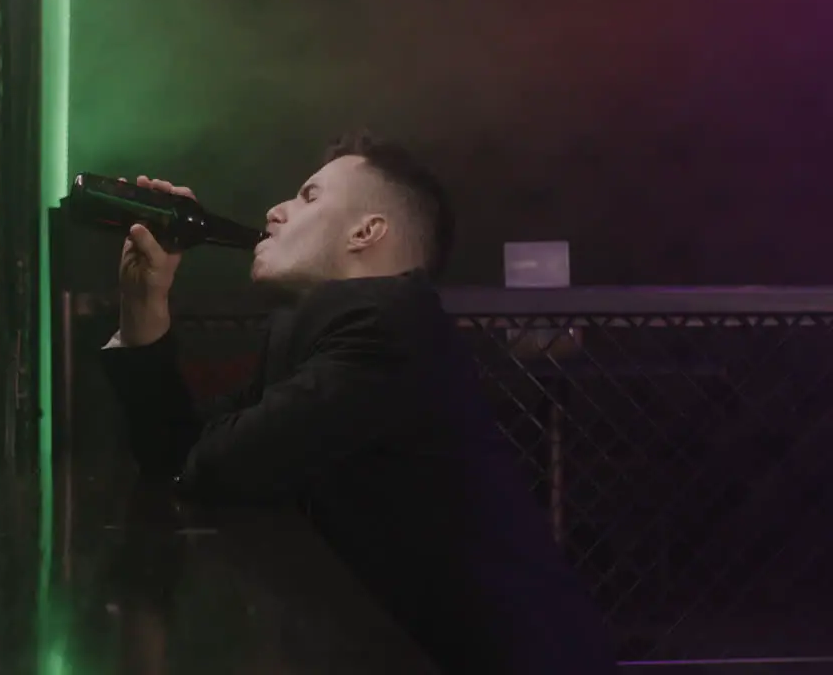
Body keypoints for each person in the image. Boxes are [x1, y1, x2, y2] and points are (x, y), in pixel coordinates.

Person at [99, 131, 617, 674]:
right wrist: (144, 302)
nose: (276, 212)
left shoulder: (389, 329)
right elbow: (175, 457)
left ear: (366, 232)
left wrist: (204, 452)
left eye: (309, 196)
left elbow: (218, 467)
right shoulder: (325, 331)